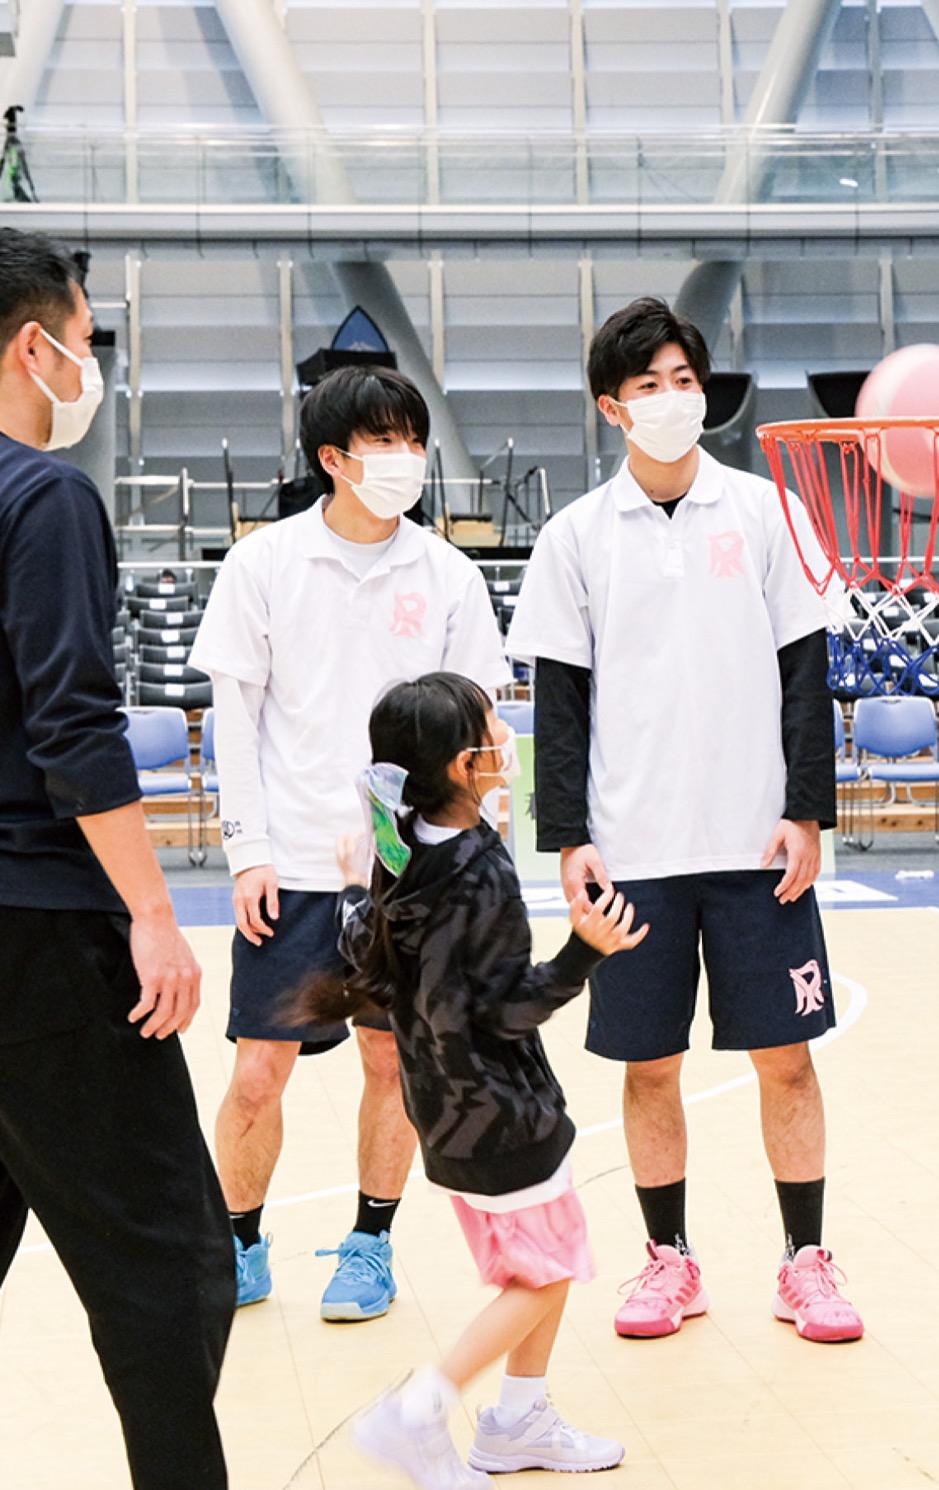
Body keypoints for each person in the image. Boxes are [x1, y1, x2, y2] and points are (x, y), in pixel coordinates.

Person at [505, 296, 863, 1344]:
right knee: (647, 1063)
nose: (672, 399)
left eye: (685, 380)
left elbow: (806, 674)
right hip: (634, 851)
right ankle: (670, 1261)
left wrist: (806, 811)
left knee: (787, 1058)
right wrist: (570, 838)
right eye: (649, 385)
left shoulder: (767, 512)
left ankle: (806, 1262)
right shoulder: (576, 536)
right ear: (611, 407)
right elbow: (560, 704)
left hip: (758, 846)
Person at [189, 365, 510, 1318]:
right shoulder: (264, 564)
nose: (406, 456)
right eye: (383, 440)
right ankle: (238, 1243)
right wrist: (247, 851)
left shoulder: (448, 575)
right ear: (332, 457)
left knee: (391, 1063)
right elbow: (235, 722)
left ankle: (370, 1244)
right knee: (259, 1072)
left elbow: (481, 734)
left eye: (414, 439)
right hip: (292, 866)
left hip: (405, 875)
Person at [0, 226, 234, 1487]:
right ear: (35, 347)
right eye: (89, 341)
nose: (93, 366)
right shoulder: (42, 496)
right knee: (170, 1264)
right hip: (42, 930)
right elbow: (75, 725)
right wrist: (150, 907)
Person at [297, 672, 642, 1488]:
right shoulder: (481, 871)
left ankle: (518, 1420)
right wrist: (586, 951)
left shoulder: (397, 847)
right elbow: (509, 1009)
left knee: (539, 1263)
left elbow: (362, 954)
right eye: (494, 729)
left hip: (445, 1110)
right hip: (501, 1114)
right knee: (546, 1276)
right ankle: (420, 1410)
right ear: (464, 764)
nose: (506, 740)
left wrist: (349, 888)